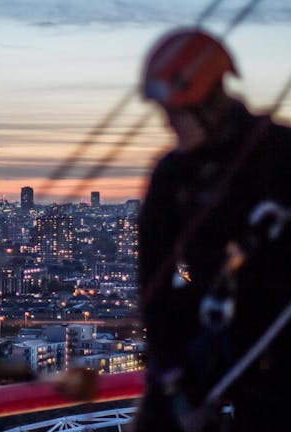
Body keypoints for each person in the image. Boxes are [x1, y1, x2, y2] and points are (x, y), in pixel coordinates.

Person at [136, 28, 291, 431]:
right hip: (210, 338)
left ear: (209, 102)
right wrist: (171, 377)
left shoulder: (280, 156)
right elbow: (153, 286)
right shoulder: (173, 177)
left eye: (176, 113)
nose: (169, 125)